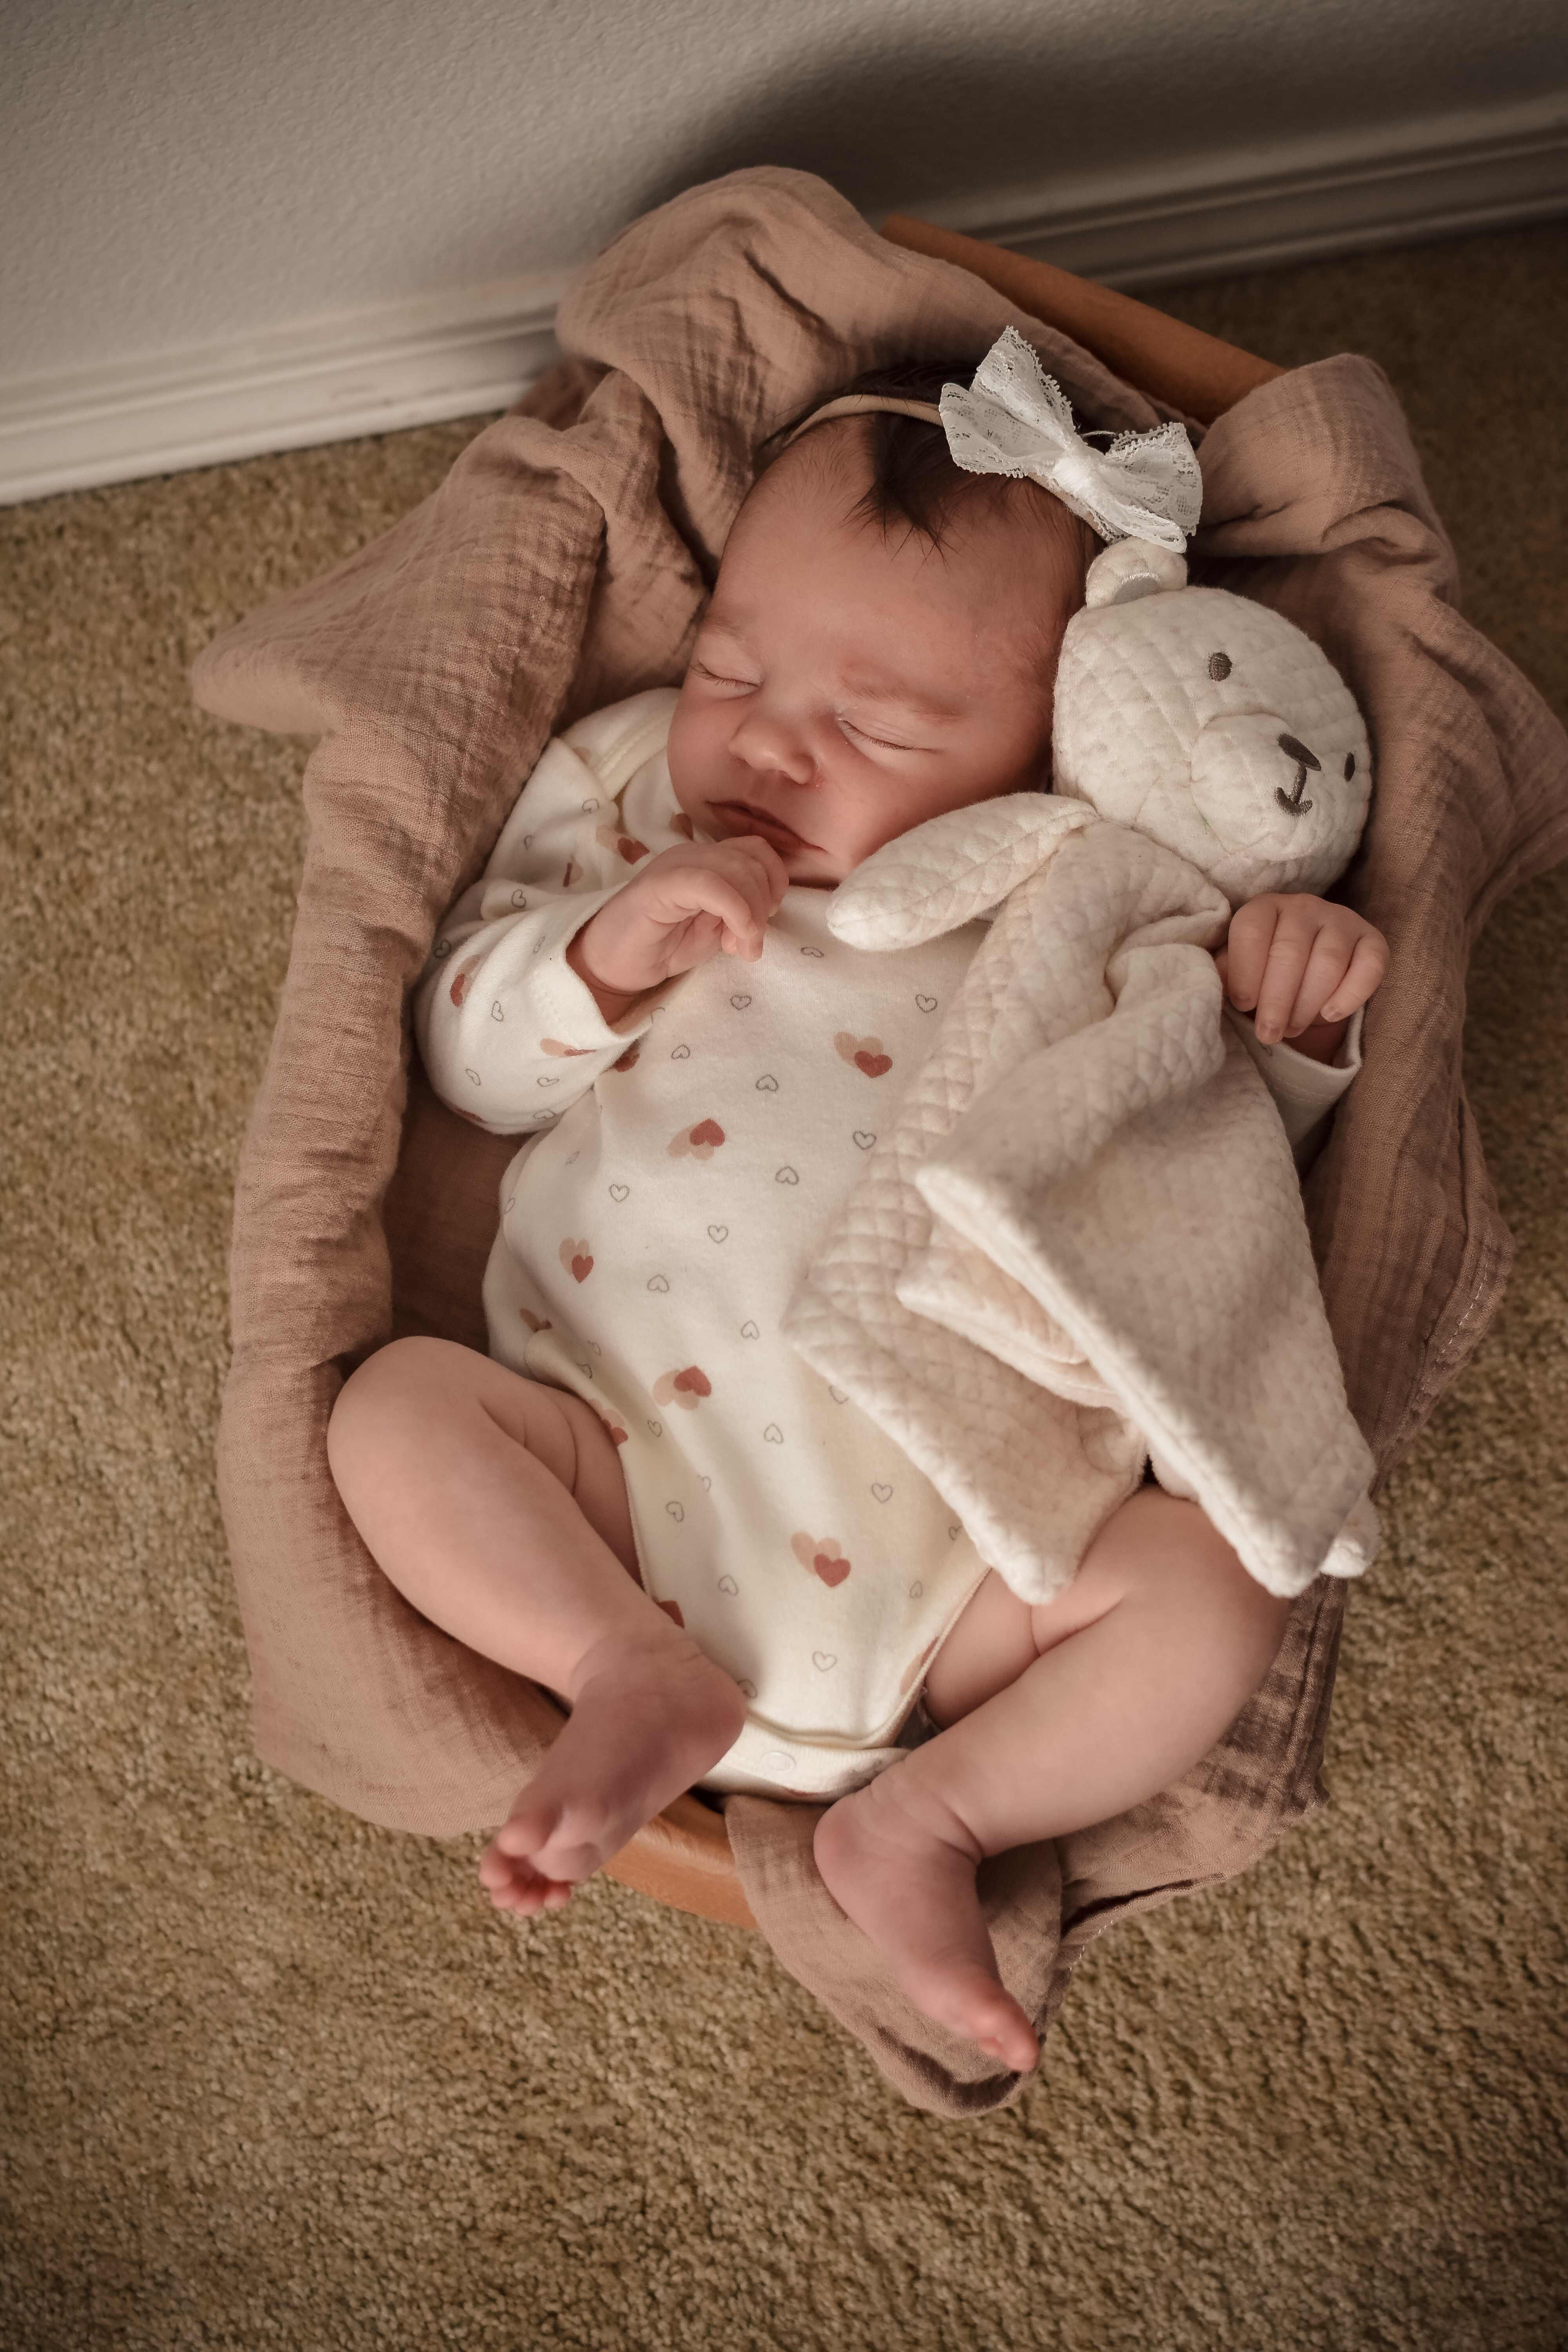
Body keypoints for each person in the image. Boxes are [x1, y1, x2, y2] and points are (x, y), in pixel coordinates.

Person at [326, 340, 1387, 2075]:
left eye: (879, 724)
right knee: (390, 1411)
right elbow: (462, 1051)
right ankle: (622, 1669)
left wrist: (1294, 1026)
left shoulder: (1080, 889)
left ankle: (931, 1821)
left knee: (1219, 1581)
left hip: (966, 1559)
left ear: (1055, 736)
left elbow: (1184, 1170)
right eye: (730, 662)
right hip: (605, 1458)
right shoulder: (630, 802)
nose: (760, 740)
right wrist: (598, 957)